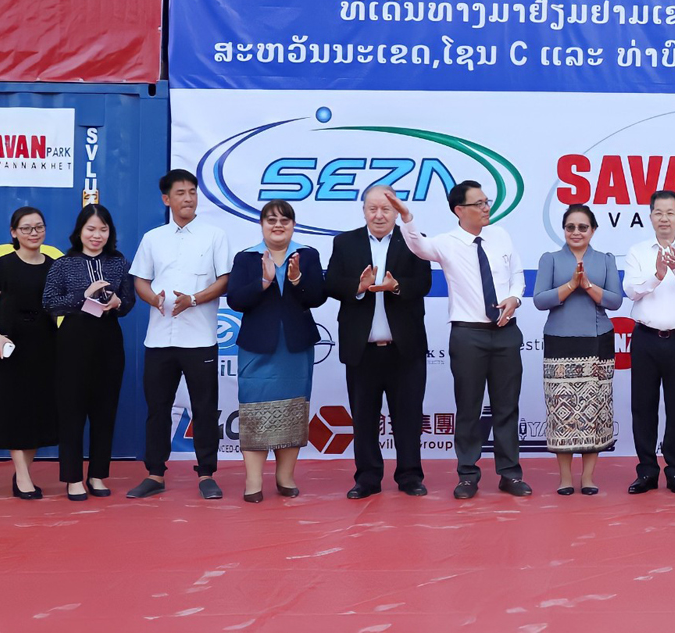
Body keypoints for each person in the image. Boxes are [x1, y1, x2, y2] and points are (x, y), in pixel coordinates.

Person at [390, 182, 532, 499]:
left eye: (487, 201)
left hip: (506, 331)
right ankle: (467, 475)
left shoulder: (501, 235)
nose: (486, 208)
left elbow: (518, 275)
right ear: (460, 210)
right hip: (469, 335)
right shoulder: (446, 243)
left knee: (506, 408)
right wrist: (407, 217)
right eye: (478, 203)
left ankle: (510, 474)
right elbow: (417, 247)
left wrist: (514, 298)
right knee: (468, 408)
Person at [128, 169, 233, 501]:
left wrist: (195, 300)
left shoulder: (214, 235)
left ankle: (206, 475)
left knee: (204, 407)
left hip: (199, 338)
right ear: (166, 199)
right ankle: (155, 474)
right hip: (159, 339)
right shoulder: (152, 238)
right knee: (158, 408)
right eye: (181, 193)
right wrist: (155, 299)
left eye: (192, 192)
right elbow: (140, 281)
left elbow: (224, 280)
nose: (188, 198)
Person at [326, 185, 433, 499]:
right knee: (364, 417)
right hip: (362, 349)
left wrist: (396, 286)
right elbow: (331, 282)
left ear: (396, 212)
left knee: (409, 417)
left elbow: (424, 283)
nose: (379, 215)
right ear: (363, 211)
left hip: (405, 348)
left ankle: (410, 476)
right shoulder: (345, 242)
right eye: (372, 208)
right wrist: (357, 287)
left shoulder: (413, 240)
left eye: (386, 209)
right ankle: (368, 478)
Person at [226, 200, 328, 503]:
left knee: (292, 411)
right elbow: (235, 300)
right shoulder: (246, 258)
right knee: (255, 411)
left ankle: (285, 477)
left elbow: (318, 296)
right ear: (261, 225)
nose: (278, 225)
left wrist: (296, 279)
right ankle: (253, 480)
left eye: (285, 219)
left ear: (293, 225)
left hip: (295, 347)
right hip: (258, 347)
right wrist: (264, 280)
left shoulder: (307, 255)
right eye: (271, 220)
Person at [532, 204, 623, 496]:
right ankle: (565, 478)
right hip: (560, 342)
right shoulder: (551, 259)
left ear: (593, 230)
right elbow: (540, 300)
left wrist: (589, 286)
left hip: (597, 342)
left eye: (582, 227)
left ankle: (588, 477)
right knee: (564, 413)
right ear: (564, 230)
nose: (576, 232)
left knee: (593, 410)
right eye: (570, 227)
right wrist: (572, 285)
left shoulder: (606, 260)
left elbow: (615, 300)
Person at [45, 204, 135, 501]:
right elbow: (49, 303)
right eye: (91, 229)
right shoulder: (63, 264)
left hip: (108, 340)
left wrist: (118, 303)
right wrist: (81, 296)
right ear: (79, 231)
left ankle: (97, 474)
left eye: (103, 229)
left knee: (104, 411)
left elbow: (130, 301)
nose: (97, 235)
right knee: (71, 412)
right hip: (73, 341)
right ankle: (72, 478)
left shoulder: (119, 262)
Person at [621, 190, 675, 495]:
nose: (664, 219)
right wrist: (658, 274)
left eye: (671, 213)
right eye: (659, 213)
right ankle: (646, 470)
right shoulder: (637, 251)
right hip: (645, 338)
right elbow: (630, 290)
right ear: (650, 217)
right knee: (643, 408)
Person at [0, 207, 58, 499]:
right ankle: (23, 476)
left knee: (38, 409)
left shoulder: (54, 265)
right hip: (9, 347)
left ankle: (22, 471)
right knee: (14, 409)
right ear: (14, 233)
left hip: (45, 345)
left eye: (39, 227)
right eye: (26, 228)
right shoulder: (2, 265)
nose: (33, 233)